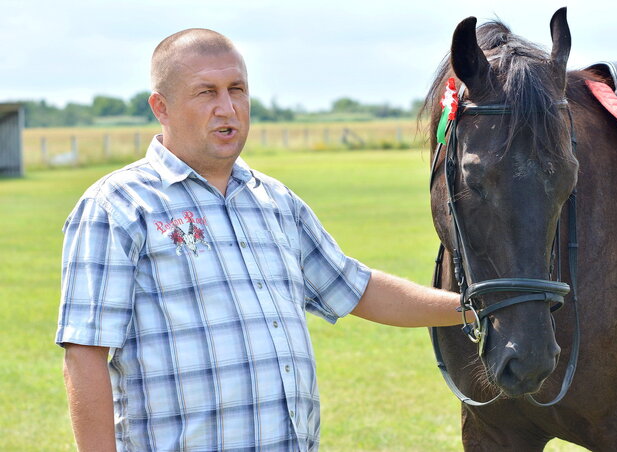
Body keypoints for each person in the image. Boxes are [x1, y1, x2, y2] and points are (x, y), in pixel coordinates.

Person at [55, 28, 463, 452]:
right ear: (162, 107)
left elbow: (357, 289)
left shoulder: (274, 201)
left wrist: (479, 309)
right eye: (205, 93)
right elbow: (84, 353)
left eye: (237, 89)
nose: (227, 108)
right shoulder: (117, 205)